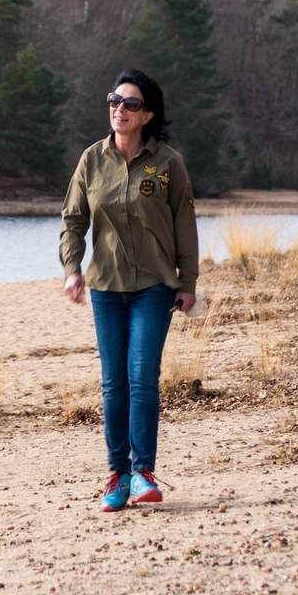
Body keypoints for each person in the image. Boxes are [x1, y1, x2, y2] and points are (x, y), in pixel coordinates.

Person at [59, 67, 198, 512]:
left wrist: (188, 282)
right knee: (113, 383)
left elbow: (184, 224)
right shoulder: (91, 160)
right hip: (106, 287)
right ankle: (117, 475)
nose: (120, 109)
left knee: (142, 379)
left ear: (147, 114)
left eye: (131, 104)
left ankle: (143, 473)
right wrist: (72, 269)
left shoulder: (168, 163)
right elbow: (73, 220)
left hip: (154, 287)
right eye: (114, 101)